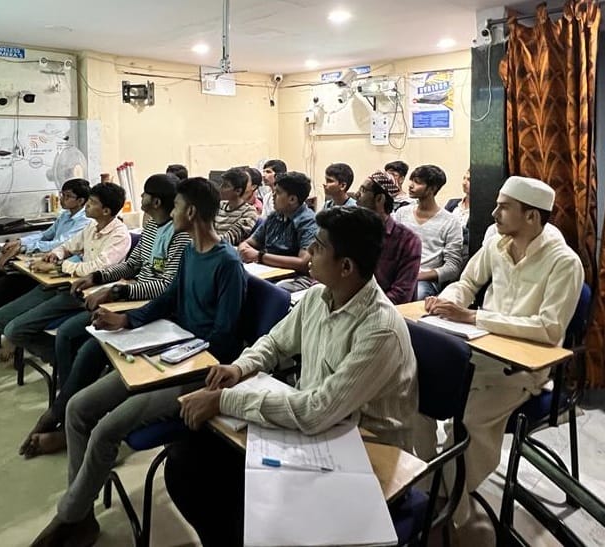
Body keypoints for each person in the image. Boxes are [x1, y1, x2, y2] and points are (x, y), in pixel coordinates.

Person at [165, 206, 419, 547]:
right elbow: (275, 343)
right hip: (316, 433)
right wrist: (239, 368)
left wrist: (224, 400)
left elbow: (317, 410)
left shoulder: (380, 330)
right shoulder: (317, 297)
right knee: (187, 461)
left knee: (247, 508)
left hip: (363, 452)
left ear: (346, 266)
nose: (309, 251)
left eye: (318, 246)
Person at [30, 177, 247, 547]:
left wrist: (178, 351)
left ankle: (70, 518)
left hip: (196, 370)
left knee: (105, 431)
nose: (171, 212)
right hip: (167, 351)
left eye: (177, 206)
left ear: (191, 212)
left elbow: (225, 339)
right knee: (78, 408)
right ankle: (82, 516)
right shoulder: (191, 253)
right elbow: (167, 299)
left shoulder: (227, 263)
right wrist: (126, 320)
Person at [422, 176, 584, 527]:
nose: (494, 214)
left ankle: (447, 507)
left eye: (504, 207)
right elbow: (467, 283)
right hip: (481, 352)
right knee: (415, 391)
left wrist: (474, 317)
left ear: (532, 216)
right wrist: (445, 302)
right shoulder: (497, 243)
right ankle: (426, 485)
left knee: (467, 420)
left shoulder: (564, 262)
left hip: (524, 368)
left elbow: (549, 329)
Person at [18, 173, 191, 457]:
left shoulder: (180, 234)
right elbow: (132, 265)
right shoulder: (151, 226)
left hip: (150, 307)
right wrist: (98, 277)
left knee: (88, 348)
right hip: (131, 298)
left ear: (156, 201)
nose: (140, 197)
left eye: (145, 193)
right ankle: (67, 412)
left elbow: (165, 286)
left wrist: (116, 292)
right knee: (72, 337)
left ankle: (61, 418)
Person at [0, 183, 130, 366]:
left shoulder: (120, 235)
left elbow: (96, 268)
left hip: (86, 293)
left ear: (106, 211)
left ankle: (64, 360)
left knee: (14, 330)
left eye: (92, 202)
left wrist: (60, 266)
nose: (87, 205)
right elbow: (68, 246)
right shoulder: (92, 226)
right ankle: (64, 356)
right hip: (64, 284)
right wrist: (55, 255)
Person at [0, 178, 91, 323]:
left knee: (4, 285)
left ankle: (4, 322)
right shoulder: (65, 214)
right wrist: (20, 241)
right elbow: (45, 235)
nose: (62, 199)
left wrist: (24, 247)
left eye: (68, 196)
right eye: (62, 194)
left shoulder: (85, 220)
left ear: (80, 201)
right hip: (43, 256)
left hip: (56, 263)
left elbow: (60, 243)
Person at [238, 171, 318, 292]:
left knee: (272, 292)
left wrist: (260, 256)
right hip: (267, 270)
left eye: (278, 192)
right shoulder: (274, 216)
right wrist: (244, 248)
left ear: (292, 199)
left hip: (297, 277)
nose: (273, 196)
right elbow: (249, 243)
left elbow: (303, 263)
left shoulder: (308, 222)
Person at [392, 164, 463, 300]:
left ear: (432, 189)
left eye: (417, 182)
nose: (410, 185)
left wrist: (416, 276)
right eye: (411, 180)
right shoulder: (402, 213)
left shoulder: (450, 222)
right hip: (398, 273)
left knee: (417, 293)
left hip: (425, 280)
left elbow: (452, 267)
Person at [354, 171, 422, 304]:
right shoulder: (351, 231)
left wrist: (363, 306)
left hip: (385, 309)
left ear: (379, 199)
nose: (356, 194)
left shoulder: (408, 241)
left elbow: (401, 294)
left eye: (363, 190)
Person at [216, 167, 259, 245]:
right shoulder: (219, 206)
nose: (221, 188)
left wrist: (207, 241)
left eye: (226, 186)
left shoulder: (249, 212)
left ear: (238, 191)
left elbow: (230, 238)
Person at [445, 169, 471, 258]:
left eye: (469, 180)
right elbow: (441, 224)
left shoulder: (480, 209)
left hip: (464, 252)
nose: (464, 183)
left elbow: (473, 237)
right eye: (464, 178)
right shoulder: (452, 203)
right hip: (445, 247)